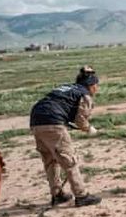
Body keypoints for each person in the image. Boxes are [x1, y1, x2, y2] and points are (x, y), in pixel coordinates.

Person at [30, 65, 102, 207]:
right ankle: (81, 195)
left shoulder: (68, 88)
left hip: (36, 121)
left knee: (50, 160)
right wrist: (88, 128)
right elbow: (80, 119)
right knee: (69, 161)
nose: (97, 89)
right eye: (96, 85)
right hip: (53, 122)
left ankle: (57, 194)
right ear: (91, 85)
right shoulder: (84, 94)